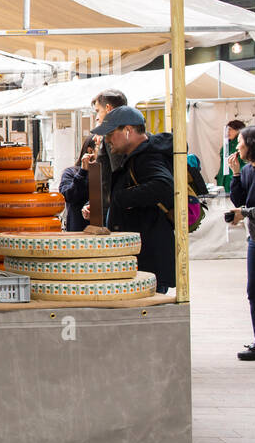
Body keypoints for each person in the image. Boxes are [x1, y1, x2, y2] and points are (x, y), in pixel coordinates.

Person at [93, 105, 174, 294]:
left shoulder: (148, 156)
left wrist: (120, 198)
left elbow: (163, 185)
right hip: (143, 255)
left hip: (149, 257)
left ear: (128, 131)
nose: (107, 140)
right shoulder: (138, 156)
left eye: (110, 134)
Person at [228, 125, 255, 362]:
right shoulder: (247, 171)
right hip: (254, 238)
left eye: (240, 141)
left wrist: (244, 212)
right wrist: (235, 174)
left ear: (252, 143)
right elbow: (239, 200)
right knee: (254, 291)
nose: (237, 146)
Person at [80, 89, 128, 225]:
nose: (96, 117)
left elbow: (116, 175)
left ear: (108, 108)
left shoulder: (112, 136)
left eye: (97, 111)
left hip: (116, 211)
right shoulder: (129, 132)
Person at [59, 137, 96, 232]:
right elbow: (68, 196)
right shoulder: (70, 172)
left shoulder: (105, 173)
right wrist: (83, 172)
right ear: (90, 150)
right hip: (77, 233)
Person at [216, 119, 247, 194]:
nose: (228, 132)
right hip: (224, 179)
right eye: (227, 129)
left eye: (230, 129)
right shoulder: (226, 145)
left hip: (235, 177)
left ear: (238, 130)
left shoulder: (243, 145)